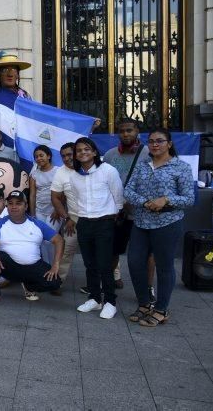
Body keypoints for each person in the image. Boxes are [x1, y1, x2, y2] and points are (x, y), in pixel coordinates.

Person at [124, 129, 195, 327]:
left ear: (169, 144)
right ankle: (145, 304)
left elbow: (189, 198)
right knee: (135, 262)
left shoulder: (180, 167)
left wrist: (166, 200)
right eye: (152, 141)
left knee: (164, 266)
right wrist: (146, 202)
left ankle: (162, 309)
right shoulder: (142, 167)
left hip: (167, 222)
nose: (155, 145)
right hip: (141, 222)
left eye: (160, 141)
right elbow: (128, 190)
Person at [71, 137, 124, 319]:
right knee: (89, 264)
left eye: (87, 149)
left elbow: (118, 197)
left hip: (104, 223)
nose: (83, 153)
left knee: (104, 264)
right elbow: (77, 199)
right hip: (84, 222)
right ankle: (95, 298)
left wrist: (111, 216)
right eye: (79, 150)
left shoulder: (108, 171)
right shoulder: (74, 175)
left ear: (94, 152)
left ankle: (110, 302)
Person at [0, 190, 64, 306]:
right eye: (10, 203)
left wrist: (56, 265)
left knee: (55, 283)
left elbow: (59, 240)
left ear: (26, 206)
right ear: (7, 205)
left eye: (18, 203)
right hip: (10, 266)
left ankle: (28, 285)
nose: (14, 206)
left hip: (33, 266)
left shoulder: (37, 224)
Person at [103, 117, 151, 292]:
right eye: (122, 131)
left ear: (137, 131)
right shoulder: (109, 155)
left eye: (129, 130)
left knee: (145, 254)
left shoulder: (148, 153)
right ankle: (108, 284)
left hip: (142, 213)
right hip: (118, 214)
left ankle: (148, 289)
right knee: (112, 251)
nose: (125, 134)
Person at [49, 143, 80, 284]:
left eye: (70, 154)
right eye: (63, 156)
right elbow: (55, 197)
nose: (67, 158)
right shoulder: (61, 172)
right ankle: (58, 282)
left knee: (99, 252)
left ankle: (109, 279)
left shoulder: (91, 167)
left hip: (96, 217)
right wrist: (66, 217)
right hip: (73, 217)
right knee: (67, 249)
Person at [29, 145, 60, 265]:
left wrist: (58, 210)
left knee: (50, 240)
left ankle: (54, 266)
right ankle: (46, 266)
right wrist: (32, 214)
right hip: (39, 211)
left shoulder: (58, 171)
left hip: (55, 212)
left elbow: (63, 193)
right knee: (41, 239)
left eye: (41, 155)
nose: (39, 158)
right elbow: (32, 195)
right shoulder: (34, 174)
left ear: (49, 156)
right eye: (36, 157)